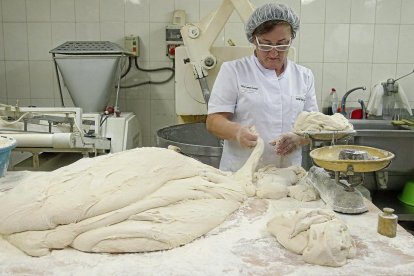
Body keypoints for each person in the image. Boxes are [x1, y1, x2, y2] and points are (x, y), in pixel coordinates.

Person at [206, 3, 319, 172]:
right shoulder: (234, 71)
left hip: (287, 175)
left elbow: (314, 126)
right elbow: (213, 122)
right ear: (254, 40)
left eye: (282, 45)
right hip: (242, 173)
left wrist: (298, 139)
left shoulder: (304, 76)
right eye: (265, 45)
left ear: (291, 39)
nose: (274, 53)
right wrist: (237, 132)